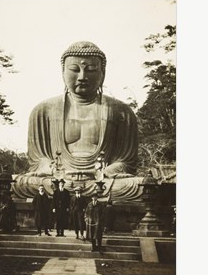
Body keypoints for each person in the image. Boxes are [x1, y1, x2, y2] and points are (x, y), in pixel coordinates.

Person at [27, 41, 138, 178]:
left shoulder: (121, 112)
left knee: (131, 186)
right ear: (63, 72)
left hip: (103, 179)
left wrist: (105, 172)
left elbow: (126, 162)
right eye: (74, 69)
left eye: (91, 70)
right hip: (58, 178)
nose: (82, 77)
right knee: (24, 184)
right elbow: (38, 160)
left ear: (103, 73)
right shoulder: (43, 111)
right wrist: (53, 169)